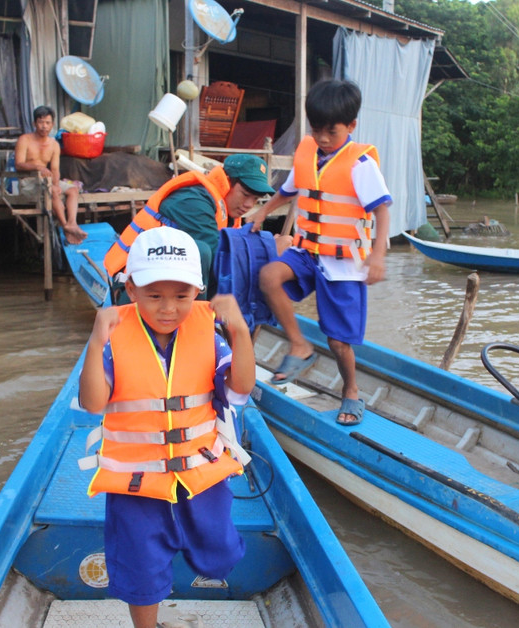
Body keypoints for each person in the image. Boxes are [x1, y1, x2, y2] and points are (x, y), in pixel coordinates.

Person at [79, 226, 255, 628]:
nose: (168, 309)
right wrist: (94, 341)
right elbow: (92, 403)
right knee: (141, 565)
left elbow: (242, 385)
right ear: (131, 290)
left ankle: (182, 557)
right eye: (154, 295)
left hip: (201, 469)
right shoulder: (114, 335)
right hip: (137, 479)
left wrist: (240, 330)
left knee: (221, 554)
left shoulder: (208, 332)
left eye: (182, 296)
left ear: (198, 292)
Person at [248, 79, 392, 426]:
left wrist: (377, 256)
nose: (323, 138)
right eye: (317, 130)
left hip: (344, 264)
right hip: (309, 251)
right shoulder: (308, 153)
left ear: (351, 126)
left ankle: (352, 391)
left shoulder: (360, 164)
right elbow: (286, 191)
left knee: (339, 342)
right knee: (268, 277)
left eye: (332, 131)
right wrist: (263, 212)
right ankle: (299, 345)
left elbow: (383, 210)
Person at [103, 153, 276, 301]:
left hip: (166, 283)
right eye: (245, 194)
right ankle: (199, 320)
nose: (248, 205)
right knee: (202, 251)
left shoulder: (227, 211)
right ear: (227, 183)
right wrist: (269, 253)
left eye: (255, 199)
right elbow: (220, 260)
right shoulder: (193, 201)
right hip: (134, 288)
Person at [14, 105, 86, 244]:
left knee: (72, 189)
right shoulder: (25, 139)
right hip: (28, 181)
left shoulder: (54, 144)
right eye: (41, 122)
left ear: (52, 124)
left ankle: (72, 223)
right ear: (34, 123)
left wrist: (56, 183)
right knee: (52, 191)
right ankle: (66, 226)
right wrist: (38, 167)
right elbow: (19, 164)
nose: (44, 126)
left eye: (47, 123)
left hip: (46, 181)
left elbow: (55, 169)